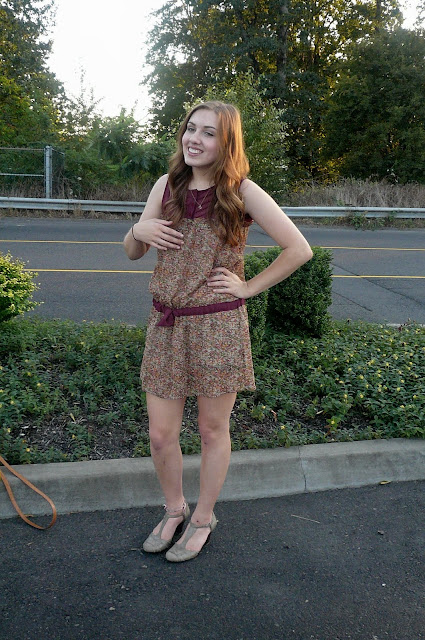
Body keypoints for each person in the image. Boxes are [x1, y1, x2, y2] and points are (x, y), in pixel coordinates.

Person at [123, 101, 313, 563]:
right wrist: (138, 229)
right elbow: (133, 252)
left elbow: (298, 248)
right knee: (161, 435)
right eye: (191, 129)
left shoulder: (242, 191)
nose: (195, 139)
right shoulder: (165, 186)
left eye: (208, 133)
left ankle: (203, 518)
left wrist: (248, 287)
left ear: (226, 142)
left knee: (211, 430)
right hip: (166, 325)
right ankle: (174, 510)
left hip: (217, 327)